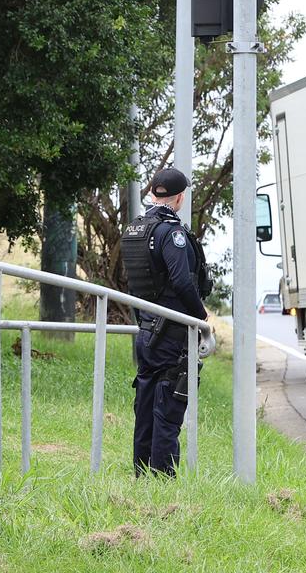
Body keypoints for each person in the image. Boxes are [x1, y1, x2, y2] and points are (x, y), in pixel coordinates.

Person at [120, 167, 211, 477]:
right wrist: (201, 318)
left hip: (146, 332)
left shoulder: (138, 229)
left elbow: (134, 285)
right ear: (180, 198)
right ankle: (162, 481)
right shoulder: (171, 233)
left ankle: (141, 475)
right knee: (169, 407)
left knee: (145, 406)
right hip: (170, 333)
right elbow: (183, 282)